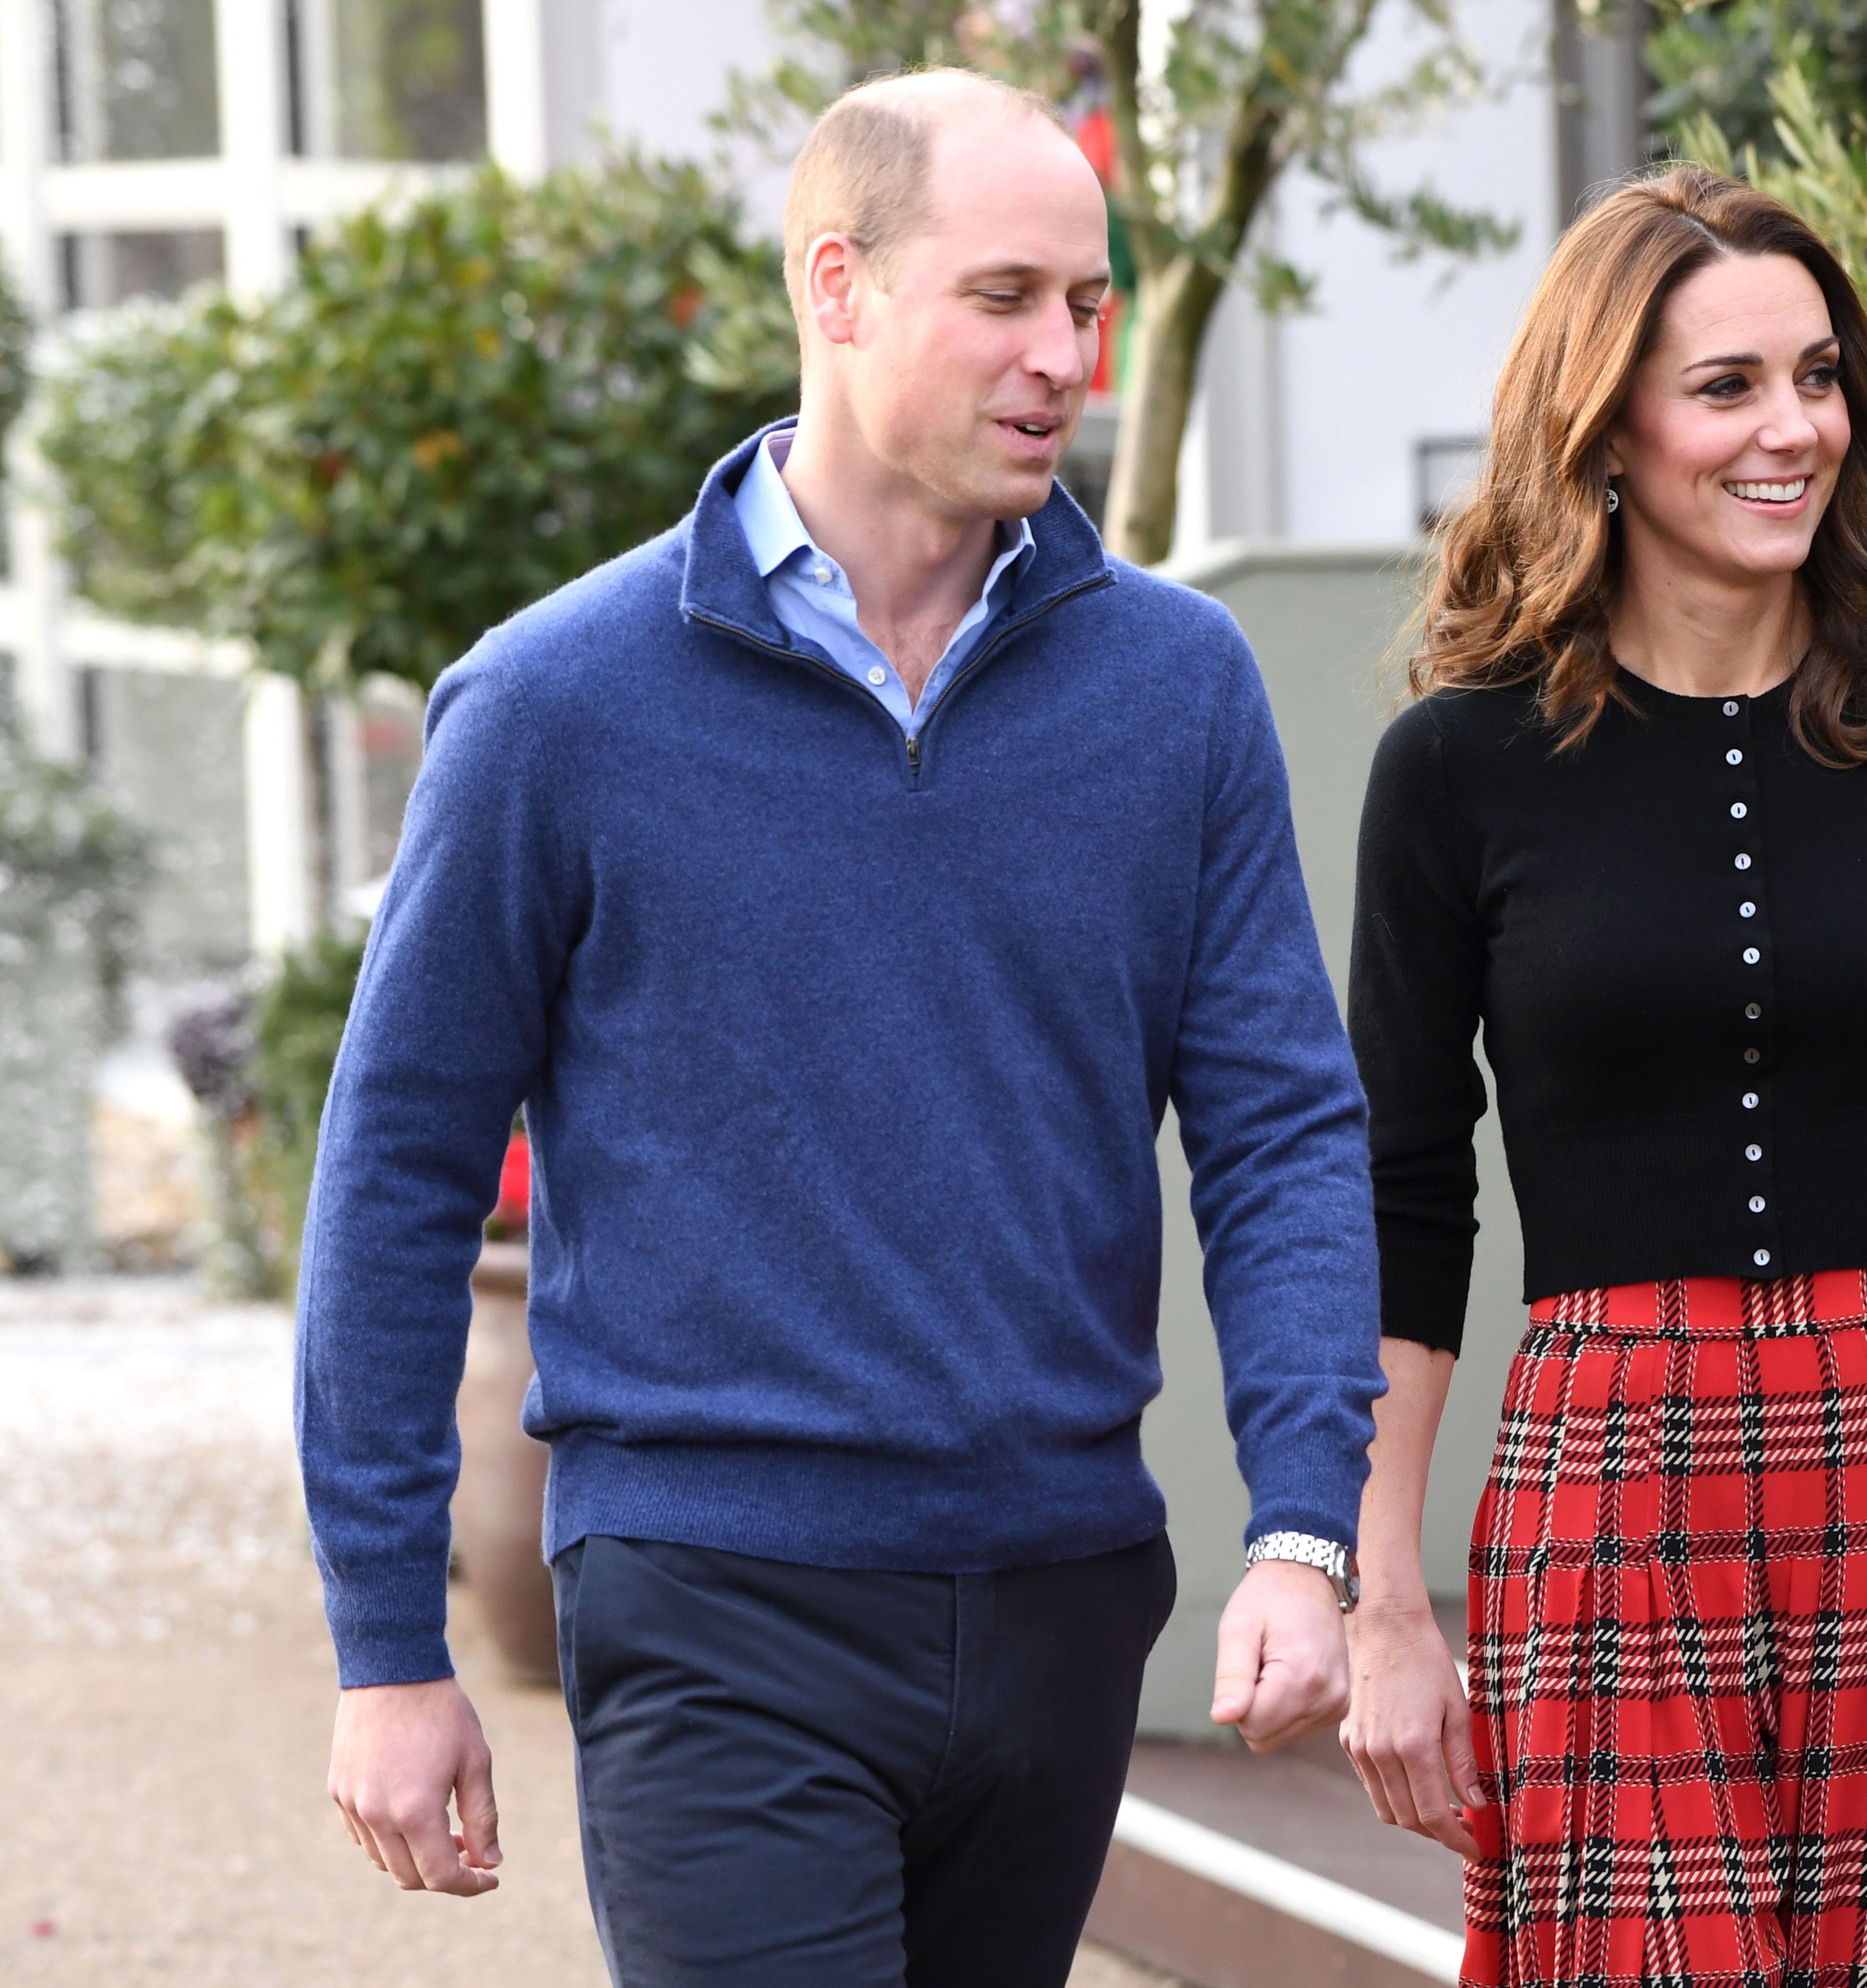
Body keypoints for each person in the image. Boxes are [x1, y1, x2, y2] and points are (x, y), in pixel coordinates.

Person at [297, 69, 1384, 1987]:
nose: (1064, 354)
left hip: (1063, 1590)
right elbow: (393, 1177)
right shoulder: (556, 705)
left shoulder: (1177, 688)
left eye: (1090, 303)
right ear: (840, 286)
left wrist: (1303, 1518)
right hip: (716, 1597)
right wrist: (389, 1644)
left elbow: (1283, 1126)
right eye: (1008, 297)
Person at [1337, 166, 1867, 1985]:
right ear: (1604, 434)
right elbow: (1405, 1201)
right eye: (1726, 386)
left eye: (1817, 378)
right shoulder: (1457, 768)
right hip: (1607, 1491)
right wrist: (1384, 1590)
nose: (1791, 428)